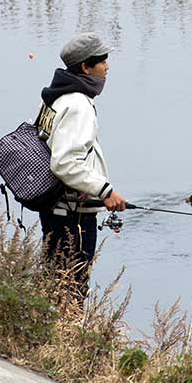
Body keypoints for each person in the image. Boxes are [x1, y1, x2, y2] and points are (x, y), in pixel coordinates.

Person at [36, 32, 126, 293]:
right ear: (86, 67)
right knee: (71, 288)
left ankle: (51, 331)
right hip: (71, 215)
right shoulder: (78, 105)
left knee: (54, 283)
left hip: (55, 210)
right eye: (102, 61)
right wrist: (105, 191)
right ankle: (67, 332)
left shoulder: (59, 97)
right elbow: (64, 163)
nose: (107, 67)